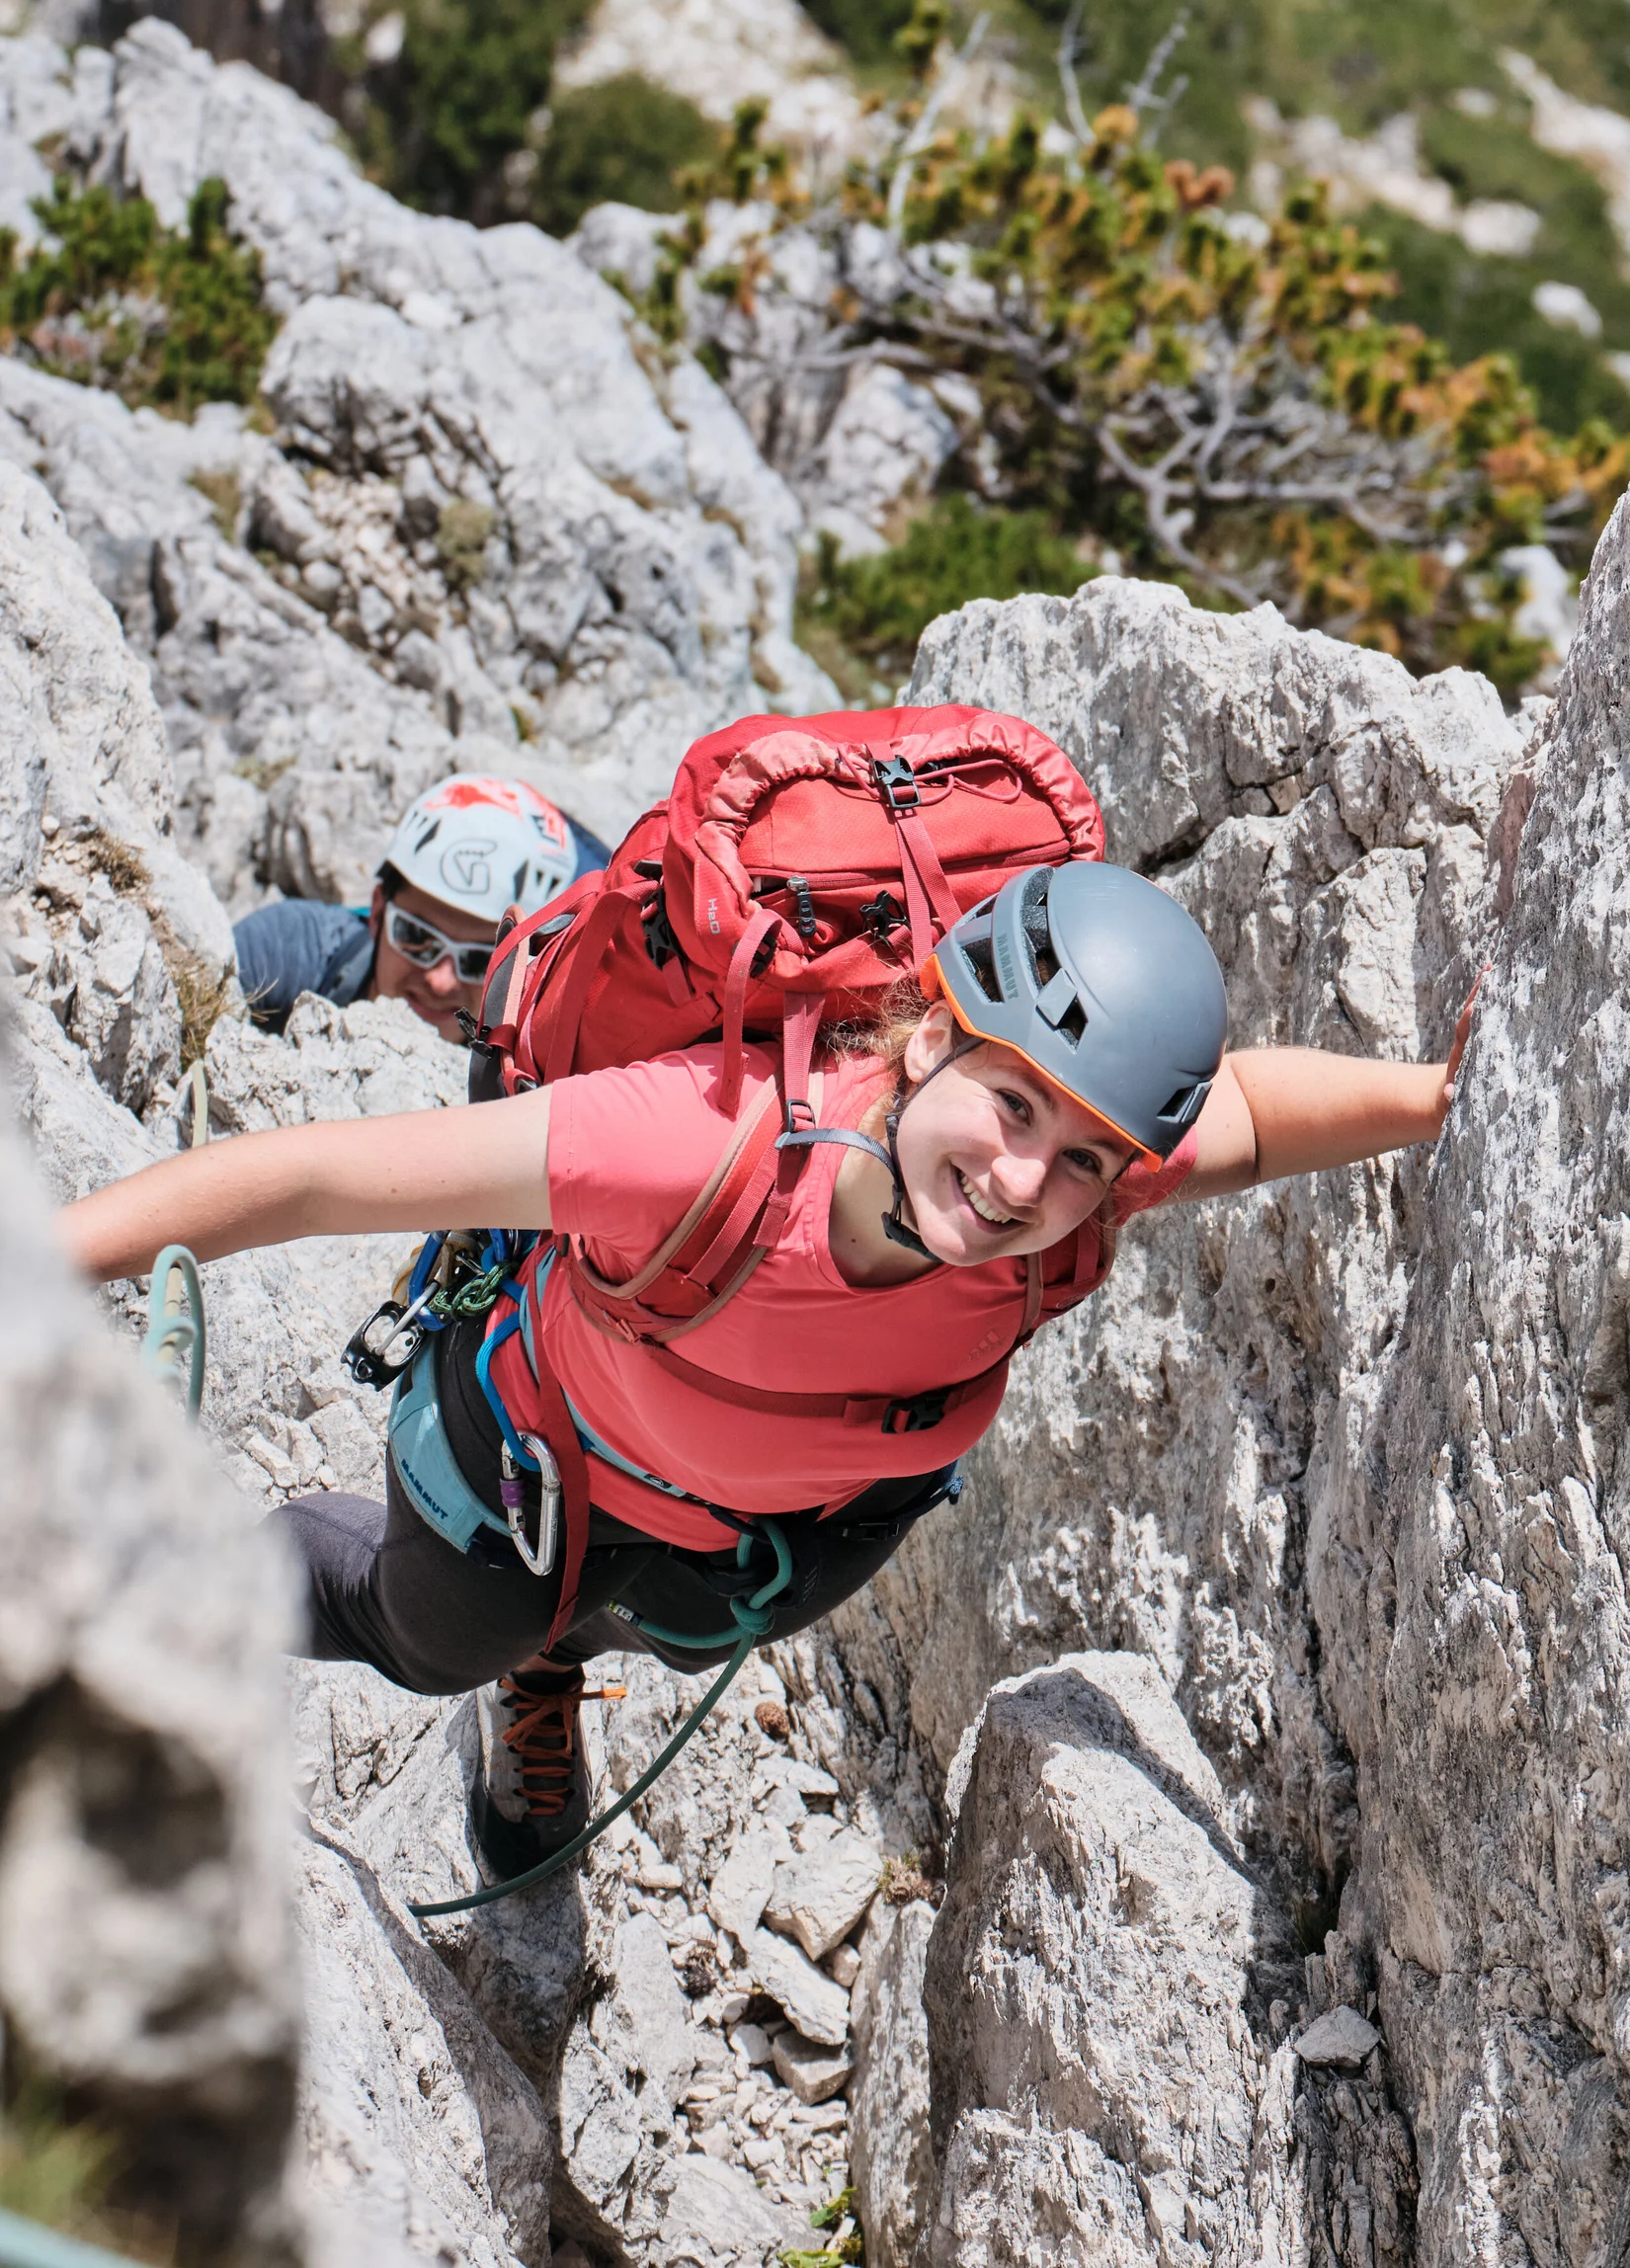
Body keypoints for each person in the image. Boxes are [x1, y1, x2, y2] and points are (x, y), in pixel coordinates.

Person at [61, 857, 1473, 1882]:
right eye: (1011, 1101)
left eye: (1087, 1152)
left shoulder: (1070, 1199)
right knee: (422, 1638)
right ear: (929, 1035)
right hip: (533, 1477)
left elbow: (1251, 1116)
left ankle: (552, 1674)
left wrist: (1437, 1097)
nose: (1021, 1176)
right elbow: (308, 1178)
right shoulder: (694, 1145)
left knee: (652, 1629)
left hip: (762, 1547)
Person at [234, 775, 611, 1045]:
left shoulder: (546, 1078)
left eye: (481, 960)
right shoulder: (290, 946)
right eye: (416, 936)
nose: (440, 981)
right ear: (378, 912)